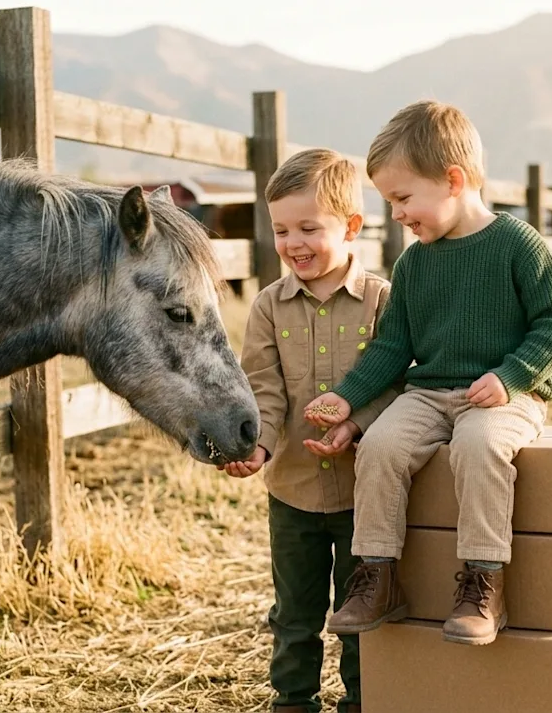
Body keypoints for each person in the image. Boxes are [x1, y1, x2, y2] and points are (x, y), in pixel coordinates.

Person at [303, 100, 552, 646]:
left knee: (478, 447)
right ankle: (378, 576)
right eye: (389, 202)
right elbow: (394, 346)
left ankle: (483, 581)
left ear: (452, 180)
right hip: (428, 395)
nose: (398, 214)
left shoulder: (516, 244)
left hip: (505, 396)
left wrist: (512, 376)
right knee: (379, 446)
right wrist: (348, 399)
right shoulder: (414, 263)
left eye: (403, 198)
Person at [223, 147, 399, 713]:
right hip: (293, 491)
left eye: (308, 228)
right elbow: (265, 388)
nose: (293, 243)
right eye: (280, 230)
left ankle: (364, 702)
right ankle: (293, 701)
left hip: (363, 496)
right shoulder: (270, 307)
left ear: (351, 226)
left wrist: (357, 422)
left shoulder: (383, 301)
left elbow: (398, 384)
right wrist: (260, 446)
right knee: (294, 612)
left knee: (359, 613)